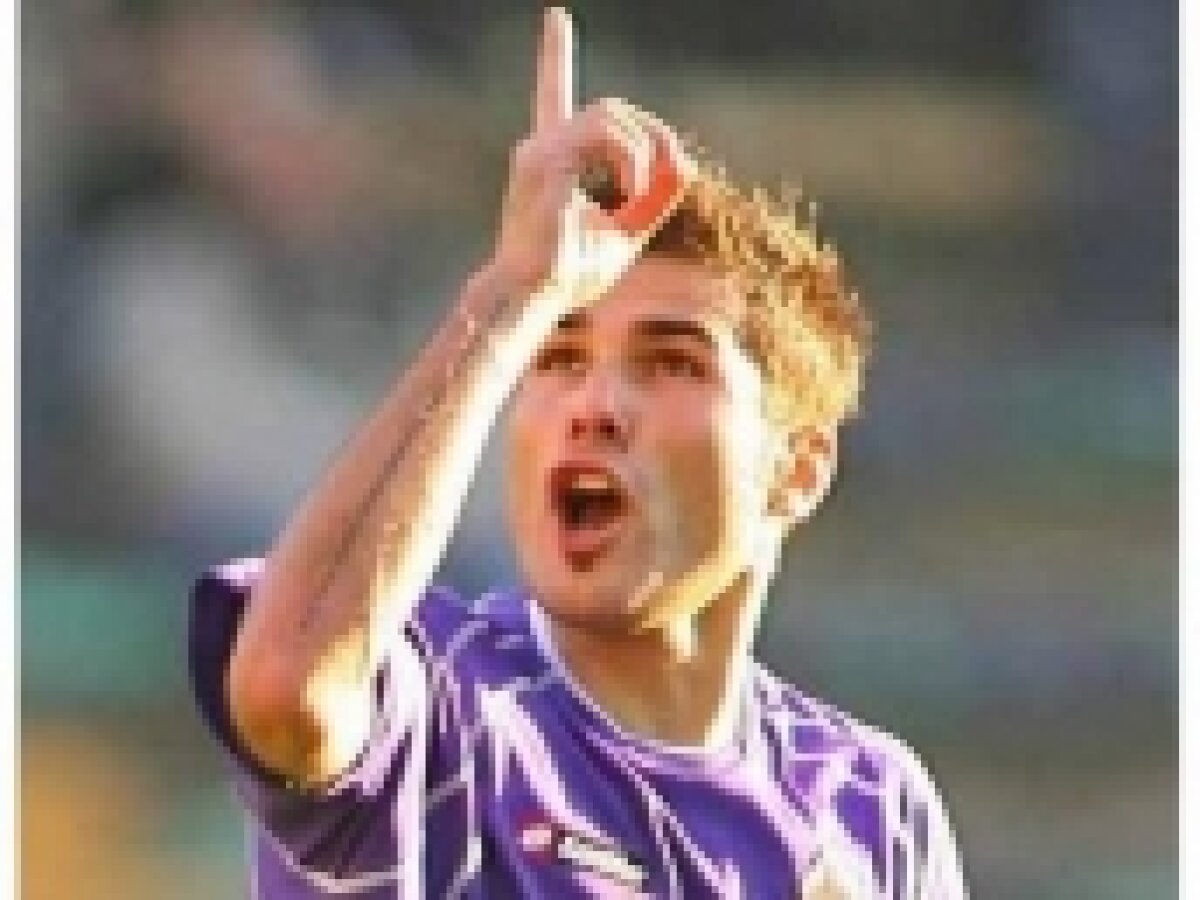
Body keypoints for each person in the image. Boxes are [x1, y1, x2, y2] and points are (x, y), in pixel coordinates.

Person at [189, 8, 968, 898]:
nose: (595, 406)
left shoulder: (868, 805)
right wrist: (515, 294)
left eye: (671, 363)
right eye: (557, 358)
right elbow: (284, 682)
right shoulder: (446, 704)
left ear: (797, 469)